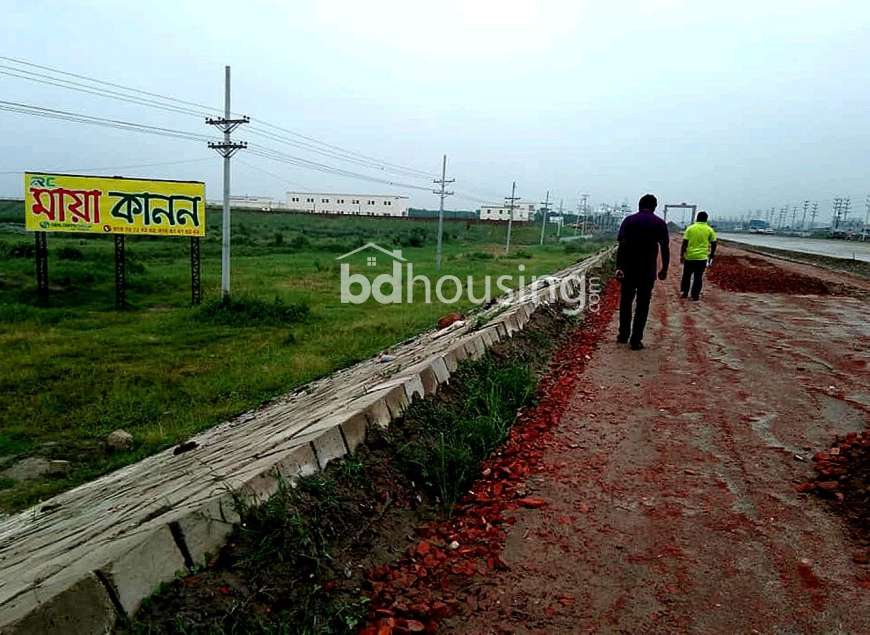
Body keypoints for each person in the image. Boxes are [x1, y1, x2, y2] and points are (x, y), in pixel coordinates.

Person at [615, 194, 670, 350]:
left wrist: (618, 267)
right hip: (647, 271)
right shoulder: (659, 223)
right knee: (643, 305)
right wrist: (664, 268)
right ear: (654, 207)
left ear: (639, 205)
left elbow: (622, 245)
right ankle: (636, 339)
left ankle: (623, 335)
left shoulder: (629, 221)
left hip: (628, 269)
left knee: (625, 302)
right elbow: (665, 248)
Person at [680, 211, 717, 300]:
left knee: (686, 276)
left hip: (690, 256)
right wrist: (711, 255)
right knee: (698, 277)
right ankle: (695, 295)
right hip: (702, 258)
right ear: (706, 219)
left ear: (697, 218)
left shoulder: (690, 228)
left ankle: (685, 293)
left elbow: (684, 243)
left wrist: (682, 255)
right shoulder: (709, 230)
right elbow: (714, 243)